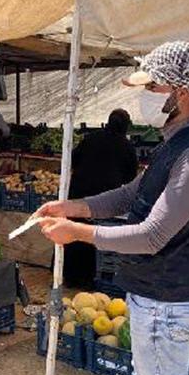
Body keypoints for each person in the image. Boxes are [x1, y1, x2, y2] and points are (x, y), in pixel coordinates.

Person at [36, 41, 189, 375]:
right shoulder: (175, 144)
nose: (145, 97)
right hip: (157, 297)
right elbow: (130, 194)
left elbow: (152, 235)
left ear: (182, 93)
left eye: (152, 87)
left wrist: (78, 233)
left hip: (167, 301)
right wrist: (73, 207)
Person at [63, 109, 139, 289]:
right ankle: (88, 279)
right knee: (92, 236)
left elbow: (72, 160)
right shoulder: (126, 146)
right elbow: (130, 178)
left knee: (73, 232)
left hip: (79, 193)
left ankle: (70, 276)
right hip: (103, 200)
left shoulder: (91, 138)